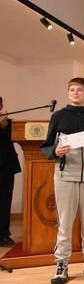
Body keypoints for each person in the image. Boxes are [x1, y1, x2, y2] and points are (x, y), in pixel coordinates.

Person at [41, 78, 84, 284]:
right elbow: (46, 147)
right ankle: (61, 264)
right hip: (65, 177)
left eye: (80, 89)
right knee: (64, 223)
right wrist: (56, 151)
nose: (75, 92)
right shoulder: (59, 116)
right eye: (72, 89)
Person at [0, 96, 22, 247]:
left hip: (6, 167)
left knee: (4, 201)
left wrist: (3, 125)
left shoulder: (9, 123)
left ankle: (3, 235)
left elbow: (14, 138)